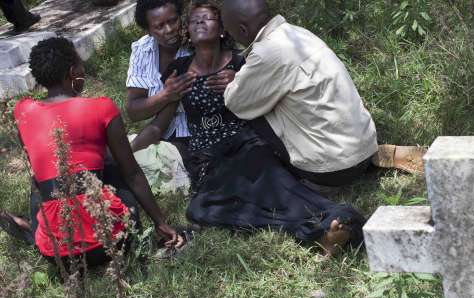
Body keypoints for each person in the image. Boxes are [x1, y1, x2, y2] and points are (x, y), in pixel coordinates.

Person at [145, 0, 364, 255]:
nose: (199, 23)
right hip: (208, 160)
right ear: (188, 33)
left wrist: (237, 81)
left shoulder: (243, 63)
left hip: (247, 144)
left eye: (207, 18)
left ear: (223, 28)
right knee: (200, 210)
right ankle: (322, 226)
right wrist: (124, 152)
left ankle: (328, 222)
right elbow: (161, 120)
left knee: (279, 188)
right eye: (194, 20)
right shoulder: (178, 71)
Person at [3, 37, 181, 269]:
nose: (82, 70)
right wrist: (160, 222)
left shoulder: (22, 110)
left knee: (42, 180)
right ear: (72, 72)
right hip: (112, 243)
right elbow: (133, 174)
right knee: (114, 164)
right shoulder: (102, 107)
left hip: (57, 256)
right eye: (79, 65)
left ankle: (38, 233)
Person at [221, 0, 426, 190]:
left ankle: (298, 177)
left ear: (242, 30)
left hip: (333, 171)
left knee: (253, 111)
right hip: (364, 147)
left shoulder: (267, 53)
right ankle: (366, 159)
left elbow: (236, 102)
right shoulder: (297, 34)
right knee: (275, 97)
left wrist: (234, 81)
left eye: (230, 33)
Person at [128, 0, 235, 162]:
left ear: (181, 17)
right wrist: (166, 95)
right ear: (148, 31)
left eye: (173, 21)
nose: (169, 30)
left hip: (203, 133)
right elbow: (134, 111)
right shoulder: (142, 50)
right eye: (159, 26)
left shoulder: (200, 43)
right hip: (165, 131)